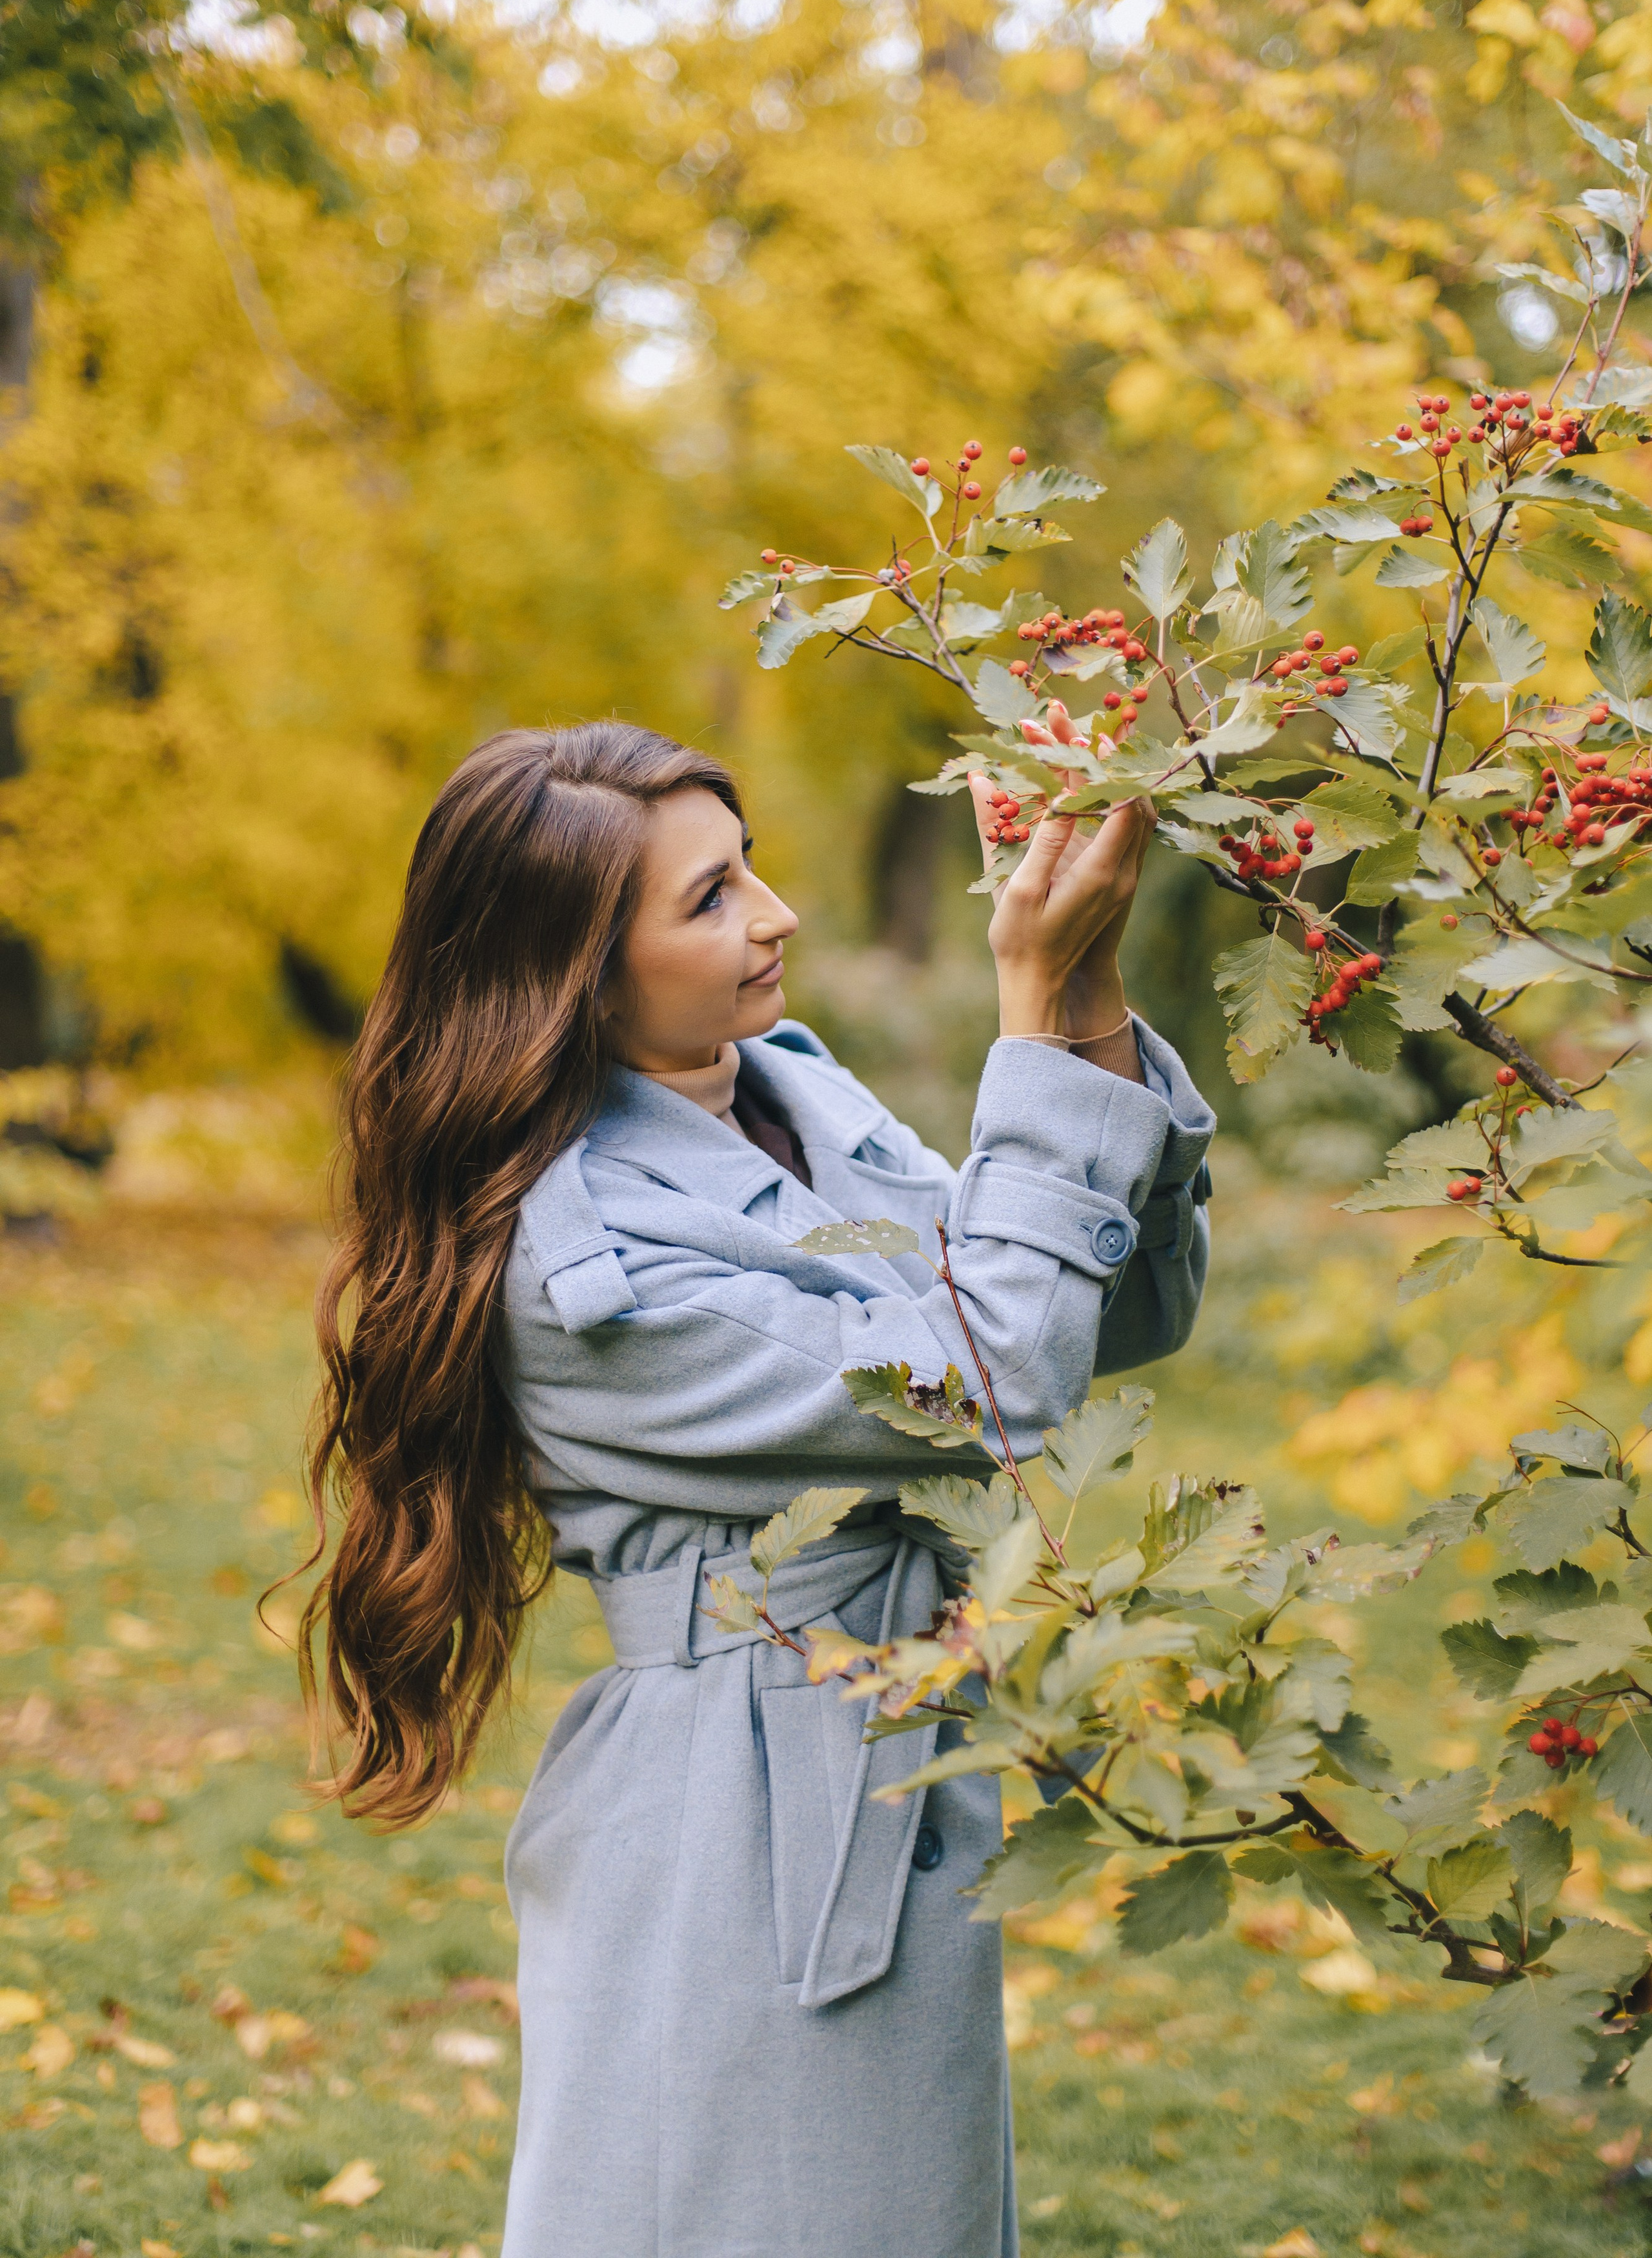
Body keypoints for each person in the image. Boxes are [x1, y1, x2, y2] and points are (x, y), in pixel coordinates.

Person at [303, 719, 1215, 2258]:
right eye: (710, 897)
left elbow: (1108, 1310)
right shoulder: (575, 1261)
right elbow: (982, 1385)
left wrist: (1086, 999)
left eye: (751, 868)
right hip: (729, 1810)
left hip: (873, 1739)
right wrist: (1018, 1015)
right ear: (575, 974)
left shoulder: (784, 1091)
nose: (774, 915)